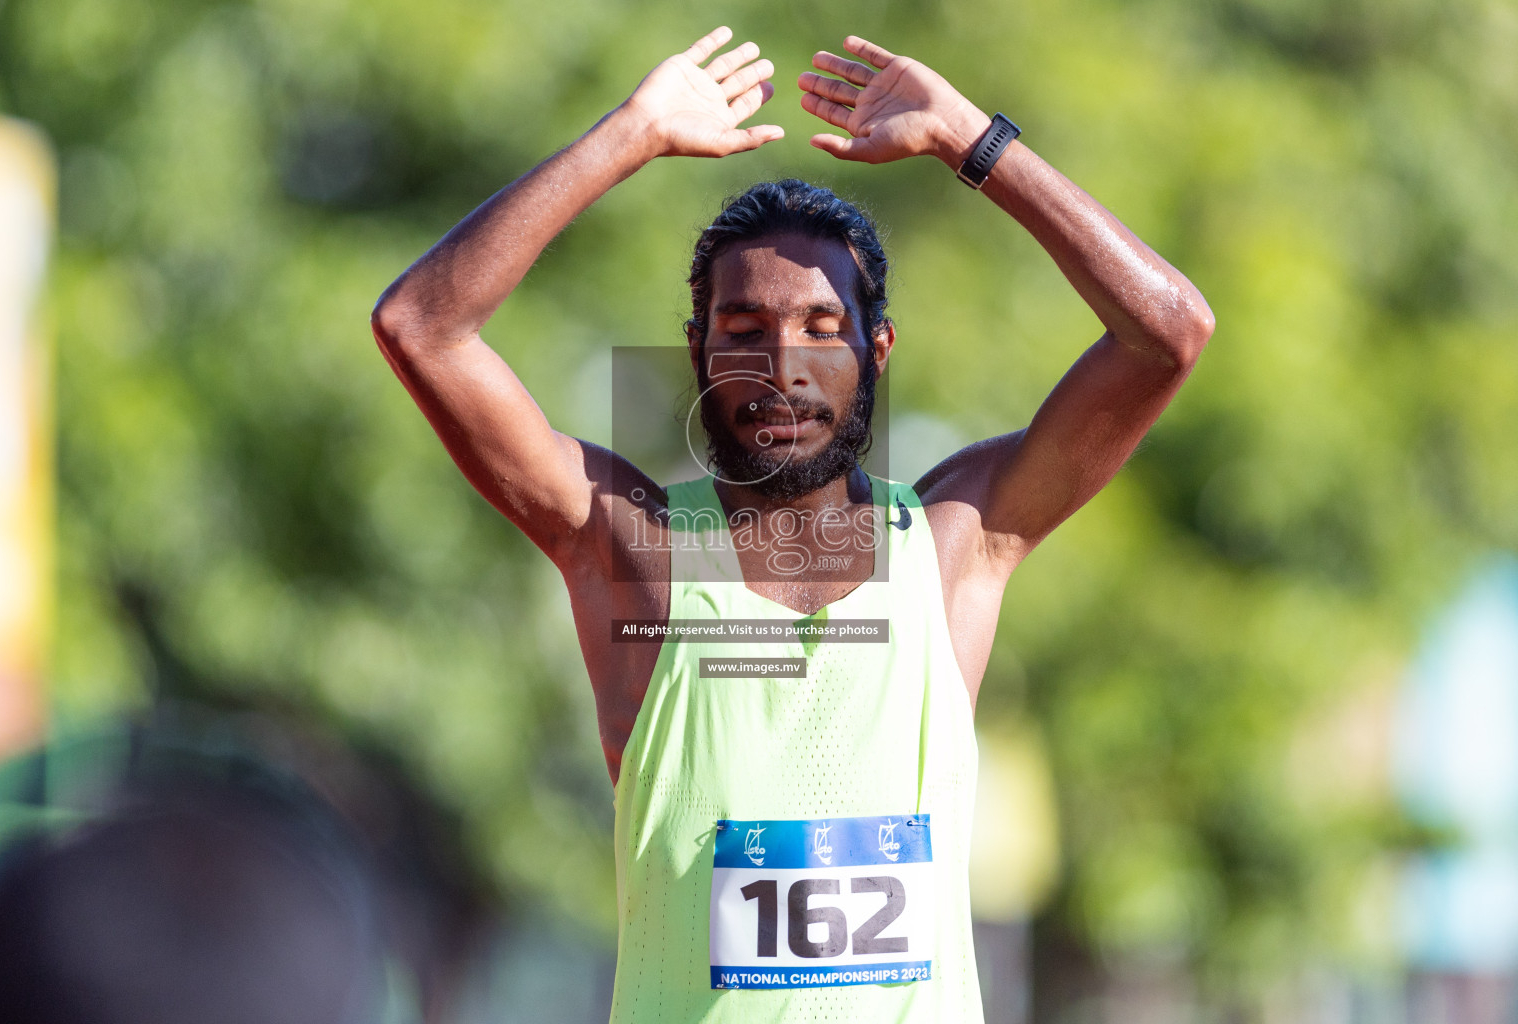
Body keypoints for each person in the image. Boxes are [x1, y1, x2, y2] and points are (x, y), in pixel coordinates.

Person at [371, 26, 1214, 1024]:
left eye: (822, 330)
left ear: (879, 350)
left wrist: (971, 142)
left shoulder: (958, 543)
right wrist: (629, 136)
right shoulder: (633, 550)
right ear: (697, 354)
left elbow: (1170, 333)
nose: (783, 367)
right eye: (744, 333)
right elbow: (420, 325)